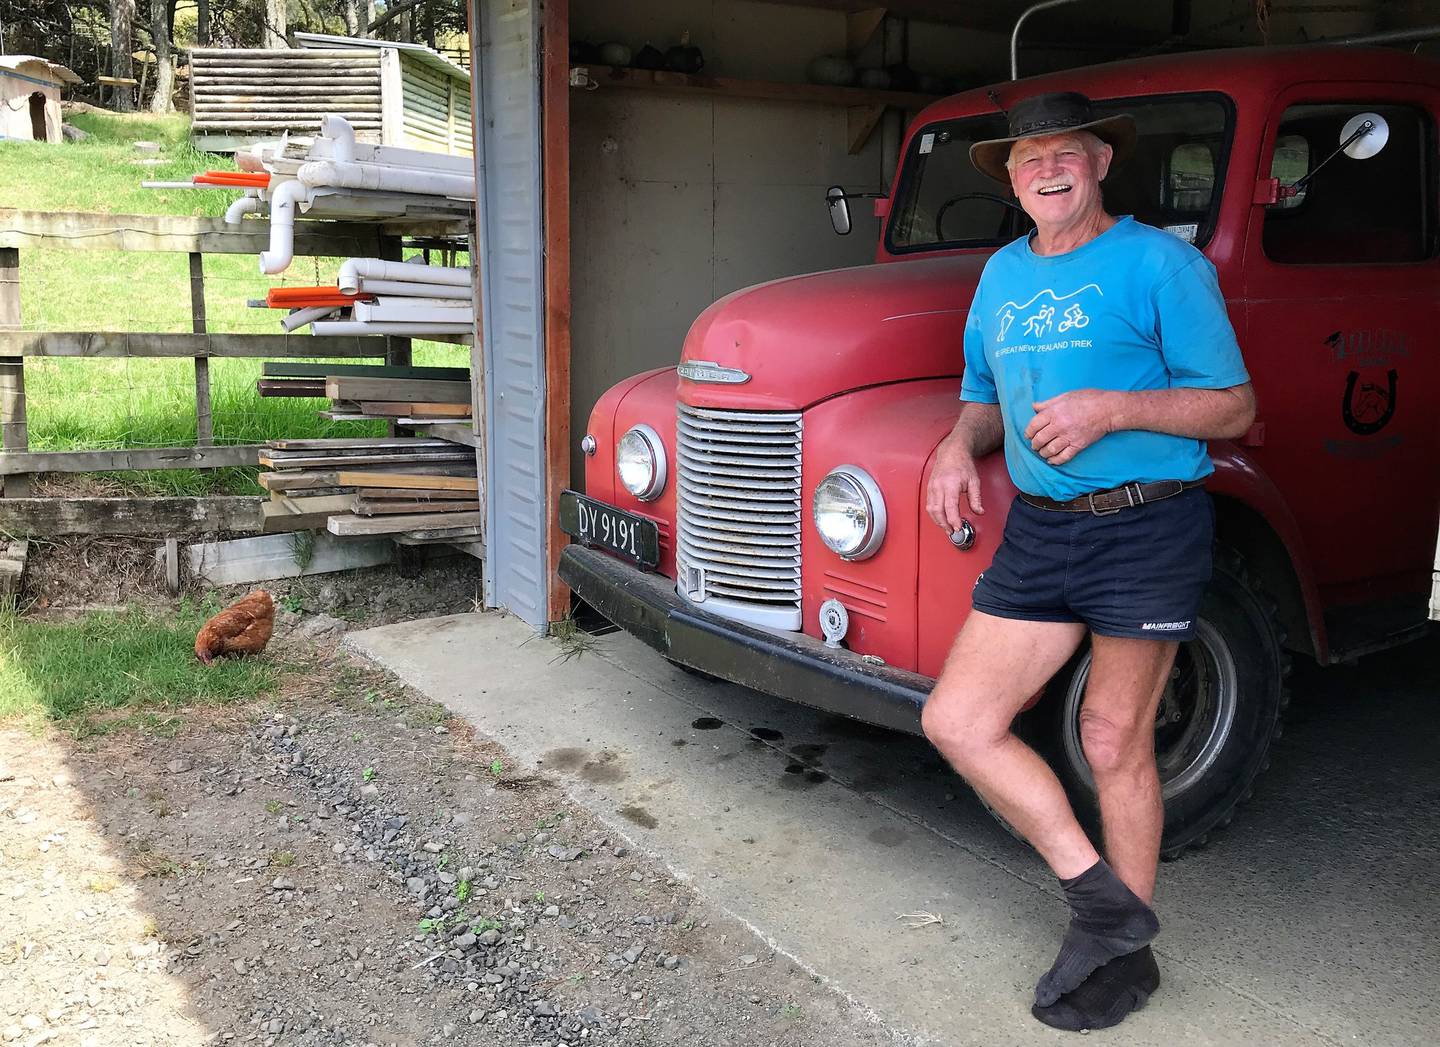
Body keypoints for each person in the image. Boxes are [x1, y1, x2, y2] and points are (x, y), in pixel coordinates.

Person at [920, 91, 1256, 1032]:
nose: (1047, 170)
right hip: (1042, 528)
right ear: (1011, 178)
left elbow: (1233, 405)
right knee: (958, 719)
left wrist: (1111, 409)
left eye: (1065, 152)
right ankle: (1105, 904)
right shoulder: (1000, 274)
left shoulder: (1161, 263)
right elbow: (982, 396)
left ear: (1102, 163)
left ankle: (1126, 957)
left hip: (1146, 524)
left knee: (1113, 738)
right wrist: (955, 447)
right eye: (1028, 159)